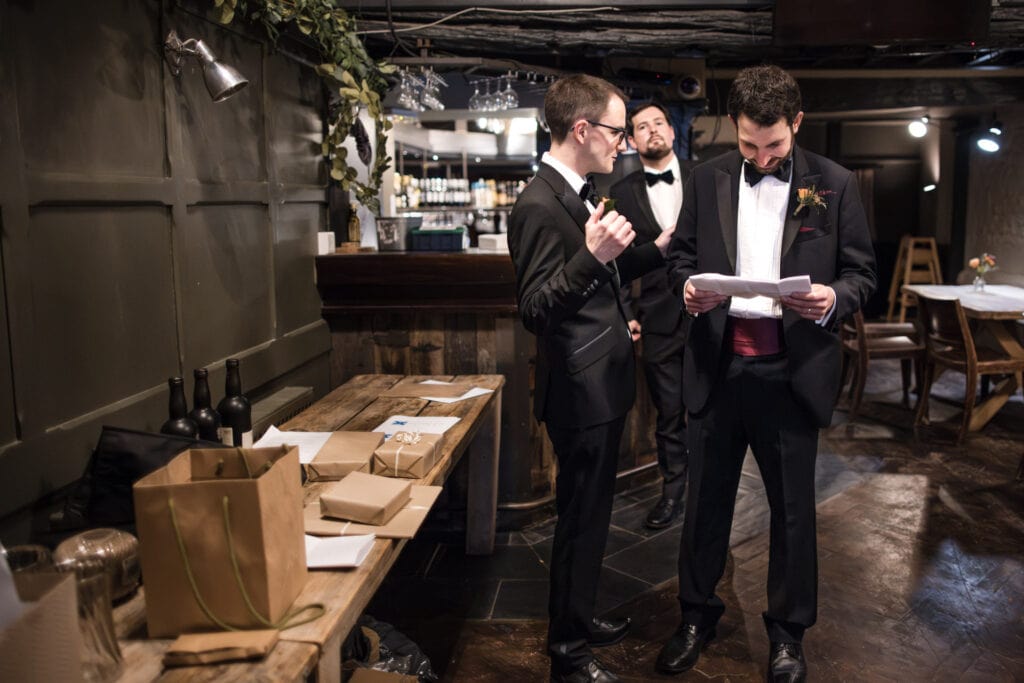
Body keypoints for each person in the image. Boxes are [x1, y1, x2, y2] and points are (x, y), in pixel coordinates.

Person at [656, 65, 876, 682]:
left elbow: (862, 273)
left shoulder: (834, 184)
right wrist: (689, 289)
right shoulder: (707, 179)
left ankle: (787, 635)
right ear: (735, 127)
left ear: (796, 124)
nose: (761, 154)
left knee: (792, 512)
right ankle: (695, 617)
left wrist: (833, 299)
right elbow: (679, 260)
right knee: (704, 507)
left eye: (774, 145)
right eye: (750, 144)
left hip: (792, 371)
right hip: (718, 367)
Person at [508, 74, 675, 683]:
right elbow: (534, 309)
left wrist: (656, 253)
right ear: (582, 130)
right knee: (579, 524)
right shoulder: (535, 202)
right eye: (615, 130)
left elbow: (598, 279)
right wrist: (593, 258)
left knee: (594, 519)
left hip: (600, 382)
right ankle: (568, 657)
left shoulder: (577, 189)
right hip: (578, 393)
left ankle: (578, 617)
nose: (623, 142)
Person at [609, 102, 692, 529]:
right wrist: (626, 314)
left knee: (713, 408)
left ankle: (711, 492)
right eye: (641, 127)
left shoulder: (707, 177)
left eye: (659, 122)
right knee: (670, 411)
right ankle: (673, 492)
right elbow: (616, 260)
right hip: (657, 317)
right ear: (632, 140)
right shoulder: (621, 193)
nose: (652, 131)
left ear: (673, 132)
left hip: (710, 312)